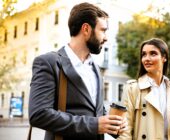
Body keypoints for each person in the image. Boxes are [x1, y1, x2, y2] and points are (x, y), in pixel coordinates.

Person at [29, 2, 126, 140]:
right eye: (103, 30)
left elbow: (95, 111)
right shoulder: (48, 62)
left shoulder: (96, 68)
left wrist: (112, 125)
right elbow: (39, 114)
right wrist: (94, 125)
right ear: (86, 29)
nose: (106, 38)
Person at [117, 38, 170, 140]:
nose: (146, 58)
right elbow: (124, 131)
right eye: (144, 54)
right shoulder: (132, 89)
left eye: (153, 54)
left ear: (164, 58)